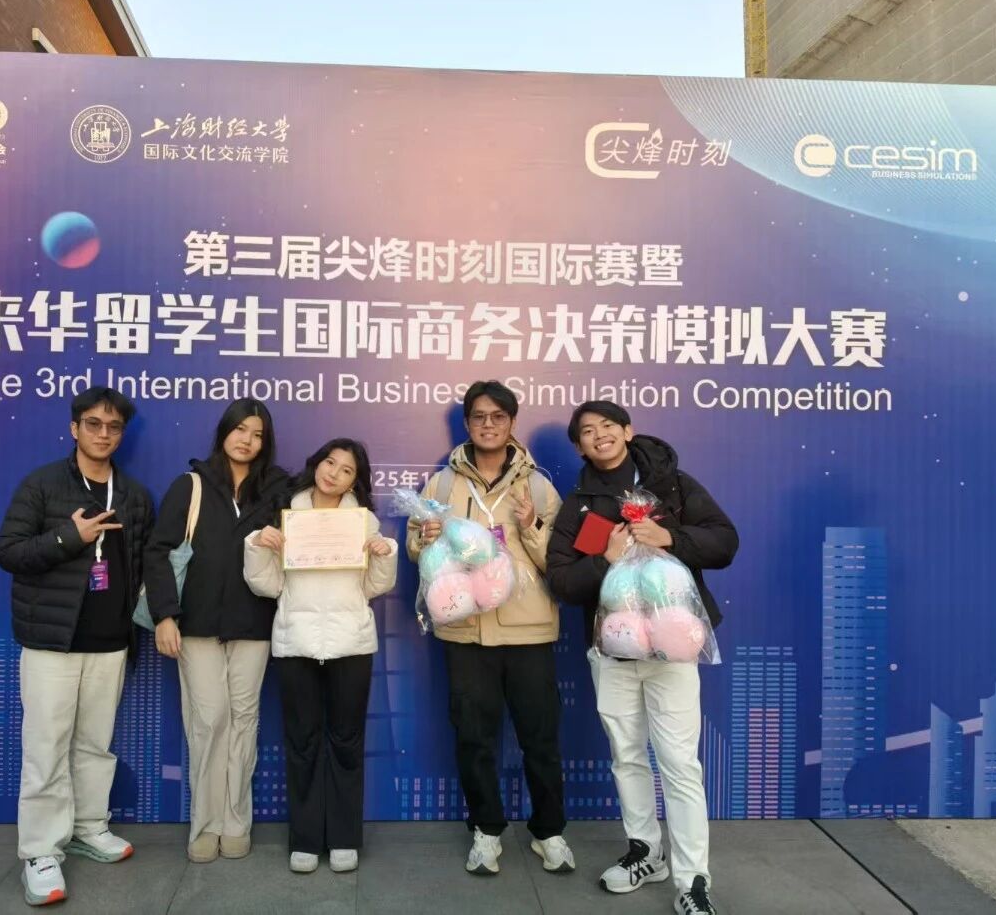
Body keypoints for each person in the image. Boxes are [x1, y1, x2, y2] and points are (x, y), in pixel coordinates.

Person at [546, 401, 737, 915]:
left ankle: (693, 879)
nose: (599, 435)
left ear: (628, 431)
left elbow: (724, 542)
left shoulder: (672, 485)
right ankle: (645, 852)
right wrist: (604, 560)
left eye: (608, 425)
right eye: (587, 431)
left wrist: (670, 537)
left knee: (679, 762)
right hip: (612, 650)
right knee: (626, 755)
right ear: (579, 446)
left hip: (673, 648)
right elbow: (561, 580)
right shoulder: (580, 505)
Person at [404, 379, 574, 876]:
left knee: (540, 738)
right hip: (466, 629)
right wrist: (424, 538)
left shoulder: (538, 486)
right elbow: (416, 550)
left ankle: (549, 832)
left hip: (527, 631)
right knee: (473, 737)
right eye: (479, 416)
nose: (488, 424)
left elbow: (556, 560)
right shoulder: (441, 485)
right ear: (467, 423)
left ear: (511, 422)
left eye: (498, 416)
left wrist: (531, 526)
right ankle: (486, 830)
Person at [0, 387, 154, 907]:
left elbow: (142, 566)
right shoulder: (42, 485)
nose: (103, 434)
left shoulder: (133, 495)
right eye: (93, 424)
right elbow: (9, 552)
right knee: (46, 747)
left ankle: (88, 826)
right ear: (74, 428)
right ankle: (41, 851)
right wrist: (70, 537)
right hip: (51, 642)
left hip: (110, 643)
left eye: (113, 427)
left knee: (94, 744)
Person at [143, 398, 289, 864]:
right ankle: (204, 824)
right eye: (240, 429)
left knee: (244, 721)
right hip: (197, 625)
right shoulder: (190, 485)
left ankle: (235, 822)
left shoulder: (278, 489)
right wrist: (165, 615)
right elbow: (157, 552)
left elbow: (307, 541)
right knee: (209, 722)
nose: (247, 440)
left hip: (254, 624)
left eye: (258, 434)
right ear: (224, 431)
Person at [244, 438, 398, 874]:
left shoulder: (363, 521)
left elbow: (374, 587)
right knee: (302, 742)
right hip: (296, 642)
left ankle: (345, 838)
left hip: (351, 644)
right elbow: (267, 585)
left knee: (347, 742)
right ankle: (306, 839)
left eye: (347, 470)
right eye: (330, 462)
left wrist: (383, 555)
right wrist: (258, 545)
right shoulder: (286, 516)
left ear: (354, 482)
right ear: (316, 464)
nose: (334, 473)